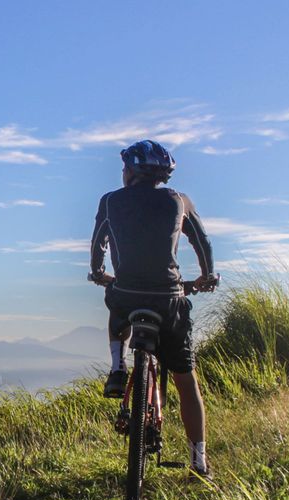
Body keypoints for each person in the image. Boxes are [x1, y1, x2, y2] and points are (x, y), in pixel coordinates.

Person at [88, 139, 217, 478]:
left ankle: (117, 367)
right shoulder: (179, 201)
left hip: (127, 295)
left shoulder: (111, 201)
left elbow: (98, 242)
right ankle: (199, 463)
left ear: (130, 171)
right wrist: (206, 276)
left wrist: (100, 273)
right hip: (169, 299)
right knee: (186, 382)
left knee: (115, 302)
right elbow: (201, 242)